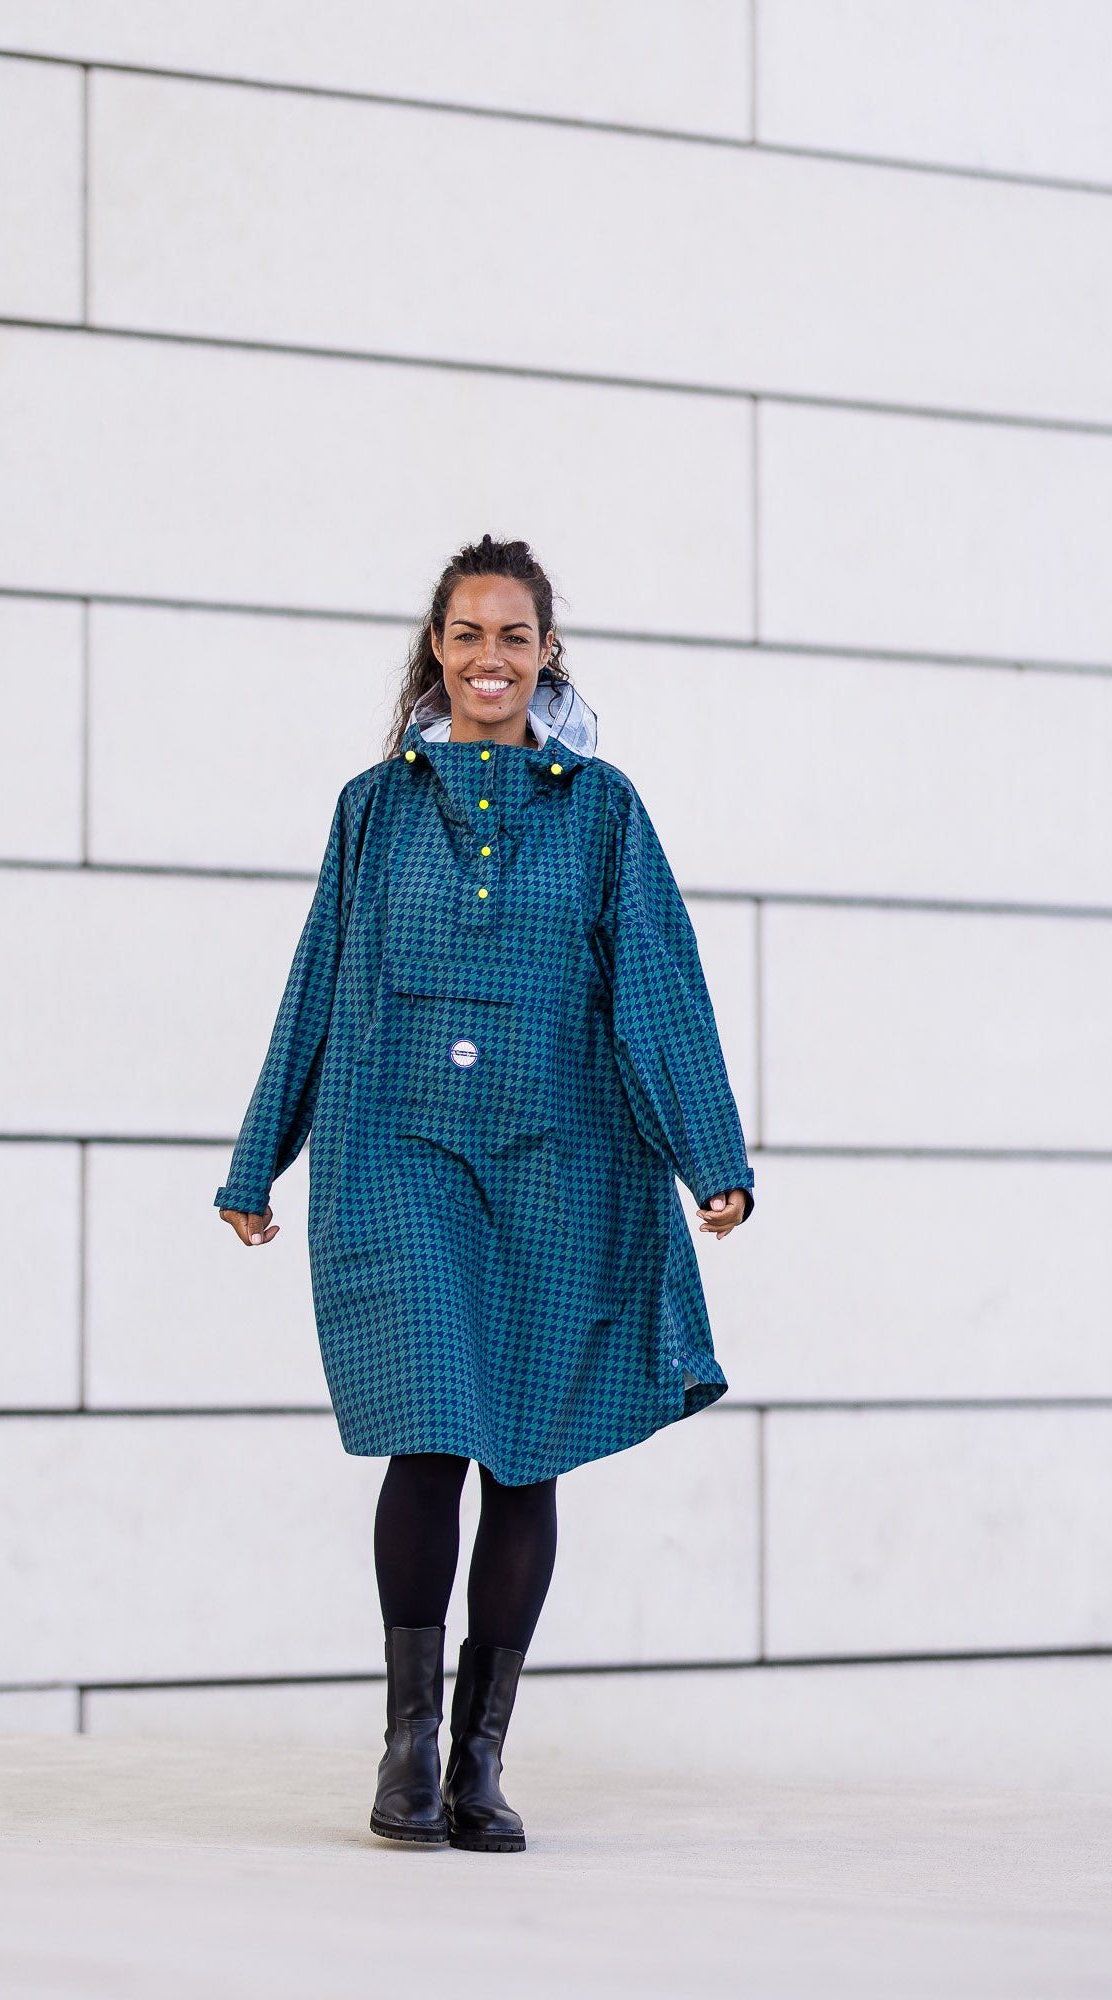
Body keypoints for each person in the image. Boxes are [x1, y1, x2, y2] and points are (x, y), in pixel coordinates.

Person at [215, 534, 753, 1854]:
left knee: (526, 1447)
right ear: (436, 651)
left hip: (558, 1157)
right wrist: (256, 1155)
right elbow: (315, 985)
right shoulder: (373, 808)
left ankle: (477, 1760)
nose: (488, 659)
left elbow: (657, 981)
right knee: (431, 1429)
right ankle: (402, 1751)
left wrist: (709, 1155)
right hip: (397, 1152)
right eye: (466, 635)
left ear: (545, 651)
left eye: (513, 636)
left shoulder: (601, 807)